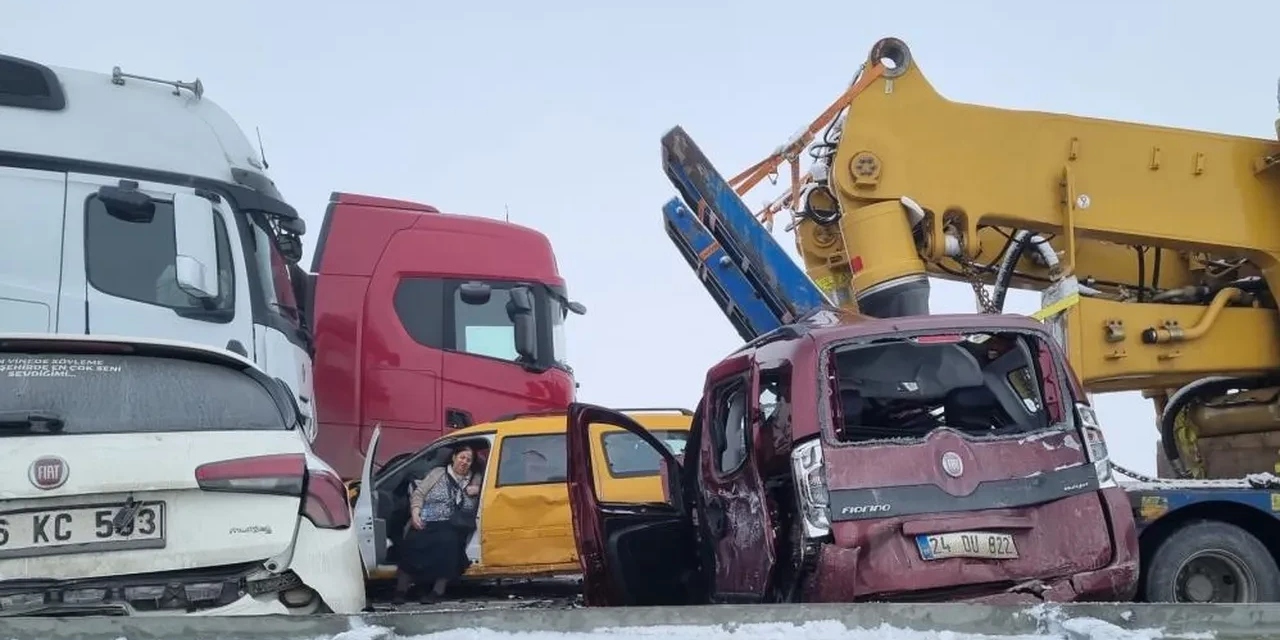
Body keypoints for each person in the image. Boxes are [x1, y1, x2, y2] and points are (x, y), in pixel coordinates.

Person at [394, 444, 481, 604]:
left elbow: (488, 489)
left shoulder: (474, 479)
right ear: (454, 457)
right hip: (427, 520)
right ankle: (401, 591)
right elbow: (419, 494)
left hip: (453, 525)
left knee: (449, 546)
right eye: (462, 457)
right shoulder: (438, 473)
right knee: (411, 546)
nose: (464, 462)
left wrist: (477, 489)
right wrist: (415, 513)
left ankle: (437, 592)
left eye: (468, 460)